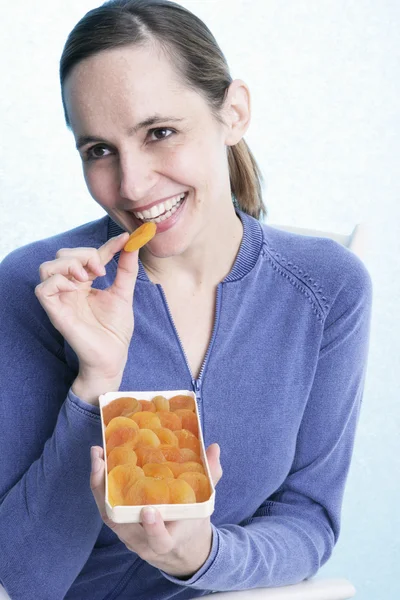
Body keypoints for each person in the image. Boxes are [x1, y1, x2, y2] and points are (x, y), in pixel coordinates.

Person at [0, 1, 373, 599]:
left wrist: (201, 555)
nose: (131, 185)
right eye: (98, 150)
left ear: (234, 113)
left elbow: (308, 522)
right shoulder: (35, 289)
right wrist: (95, 383)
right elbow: (18, 579)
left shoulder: (329, 288)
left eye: (160, 133)